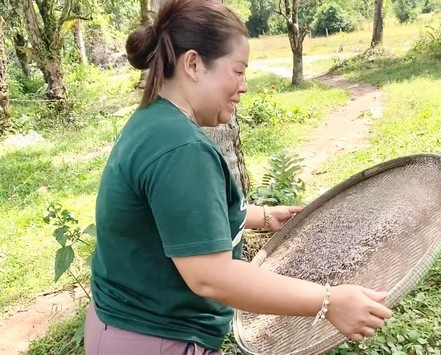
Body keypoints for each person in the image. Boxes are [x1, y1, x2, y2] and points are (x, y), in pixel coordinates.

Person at [83, 0, 393, 354]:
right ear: (194, 64)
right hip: (152, 338)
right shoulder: (182, 148)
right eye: (238, 71)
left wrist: (258, 216)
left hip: (122, 328)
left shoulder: (153, 121)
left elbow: (168, 219)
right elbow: (211, 277)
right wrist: (328, 301)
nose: (244, 86)